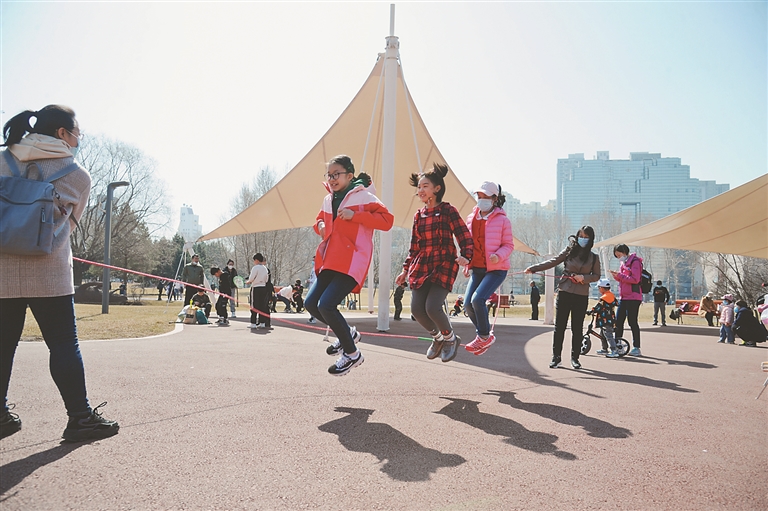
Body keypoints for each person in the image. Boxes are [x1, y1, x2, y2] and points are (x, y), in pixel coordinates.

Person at [0, 105, 119, 442]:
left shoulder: (2, 160)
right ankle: (80, 418)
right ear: (62, 133)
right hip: (49, 270)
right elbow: (71, 223)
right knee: (64, 344)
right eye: (77, 133)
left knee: (2, 345)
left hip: (2, 269)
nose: (79, 139)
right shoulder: (77, 175)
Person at [305, 155, 394, 376]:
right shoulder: (328, 199)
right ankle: (349, 334)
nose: (332, 179)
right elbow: (318, 220)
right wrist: (320, 225)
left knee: (327, 305)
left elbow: (387, 221)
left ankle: (352, 354)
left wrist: (356, 215)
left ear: (350, 175)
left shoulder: (364, 196)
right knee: (311, 303)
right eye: (329, 175)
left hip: (352, 259)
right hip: (330, 260)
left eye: (337, 174)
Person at [396, 163, 473, 363]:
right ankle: (438, 338)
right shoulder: (418, 215)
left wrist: (466, 256)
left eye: (425, 186)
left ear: (437, 188)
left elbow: (464, 235)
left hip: (444, 263)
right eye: (419, 187)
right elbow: (414, 247)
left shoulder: (448, 210)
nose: (420, 190)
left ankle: (450, 338)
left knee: (432, 307)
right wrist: (405, 270)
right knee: (416, 309)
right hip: (421, 265)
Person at [525, 226, 601, 369]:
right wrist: (534, 268)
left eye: (586, 237)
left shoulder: (594, 257)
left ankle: (575, 358)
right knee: (559, 326)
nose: (583, 239)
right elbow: (553, 261)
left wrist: (583, 278)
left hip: (581, 295)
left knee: (577, 328)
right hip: (564, 291)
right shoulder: (569, 250)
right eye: (581, 236)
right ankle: (556, 358)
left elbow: (597, 276)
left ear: (591, 239)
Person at [461, 181, 514, 355]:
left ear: (494, 199)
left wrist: (498, 255)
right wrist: (467, 263)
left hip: (496, 270)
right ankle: (484, 339)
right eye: (479, 196)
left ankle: (483, 336)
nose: (481, 199)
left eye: (485, 196)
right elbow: (468, 244)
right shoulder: (471, 218)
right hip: (477, 268)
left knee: (478, 300)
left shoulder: (503, 220)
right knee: (467, 304)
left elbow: (509, 245)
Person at [610, 244, 643, 357]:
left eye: (619, 255)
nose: (619, 258)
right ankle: (617, 345)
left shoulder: (635, 262)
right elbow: (623, 279)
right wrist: (616, 276)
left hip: (633, 297)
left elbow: (635, 279)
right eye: (617, 256)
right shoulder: (623, 264)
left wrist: (620, 276)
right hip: (623, 297)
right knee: (618, 321)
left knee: (632, 322)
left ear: (624, 252)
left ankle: (636, 347)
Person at [590, 279, 620, 358]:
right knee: (603, 334)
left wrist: (591, 311)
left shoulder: (604, 298)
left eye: (599, 288)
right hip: (611, 318)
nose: (599, 289)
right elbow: (617, 303)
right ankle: (604, 349)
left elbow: (598, 307)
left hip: (605, 319)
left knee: (608, 335)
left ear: (602, 288)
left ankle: (614, 351)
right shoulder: (611, 295)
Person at [246, 253, 271, 329]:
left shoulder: (255, 268)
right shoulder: (265, 268)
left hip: (256, 287)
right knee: (262, 305)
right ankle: (262, 322)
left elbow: (251, 278)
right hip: (263, 287)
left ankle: (253, 323)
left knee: (254, 305)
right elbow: (266, 279)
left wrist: (248, 281)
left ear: (256, 260)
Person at [307, 257, 317, 324]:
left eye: (314, 260)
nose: (313, 262)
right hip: (311, 287)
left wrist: (309, 280)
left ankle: (313, 317)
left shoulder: (316, 269)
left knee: (311, 303)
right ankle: (312, 317)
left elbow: (315, 279)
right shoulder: (313, 269)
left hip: (313, 288)